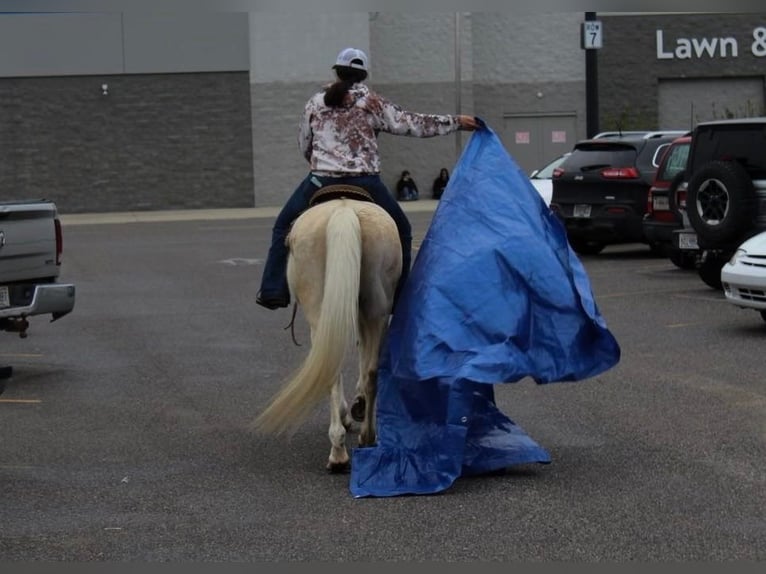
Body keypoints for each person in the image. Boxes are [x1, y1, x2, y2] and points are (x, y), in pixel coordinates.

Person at [256, 47, 478, 310]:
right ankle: (401, 298)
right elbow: (414, 123)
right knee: (403, 231)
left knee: (283, 227)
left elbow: (304, 143)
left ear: (336, 71)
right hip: (367, 184)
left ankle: (273, 290)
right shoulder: (374, 102)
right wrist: (456, 122)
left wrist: (319, 164)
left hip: (320, 181)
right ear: (363, 74)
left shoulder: (316, 102)